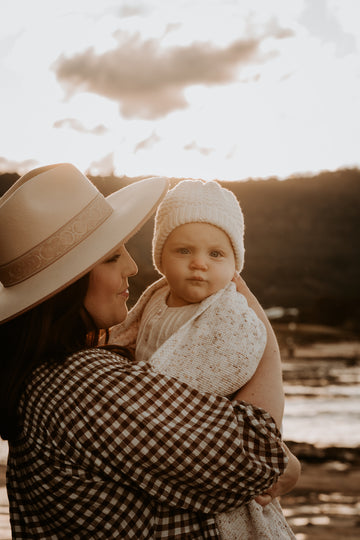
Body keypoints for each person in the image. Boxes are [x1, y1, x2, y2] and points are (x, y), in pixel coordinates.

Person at [0, 163, 298, 539]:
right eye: (111, 256)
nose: (133, 266)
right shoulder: (85, 386)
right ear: (66, 286)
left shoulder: (45, 377)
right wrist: (263, 336)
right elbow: (261, 459)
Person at [110, 179, 297, 538]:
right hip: (165, 439)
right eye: (183, 251)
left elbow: (227, 362)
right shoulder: (155, 297)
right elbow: (128, 338)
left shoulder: (231, 312)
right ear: (160, 257)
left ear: (235, 266)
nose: (199, 264)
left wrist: (138, 393)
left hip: (210, 436)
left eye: (216, 254)